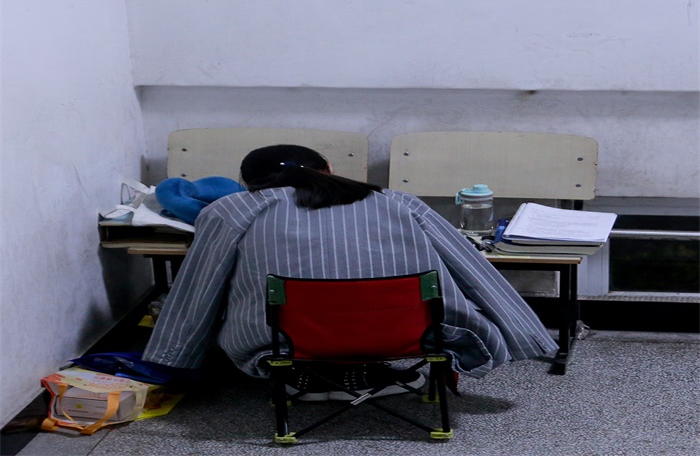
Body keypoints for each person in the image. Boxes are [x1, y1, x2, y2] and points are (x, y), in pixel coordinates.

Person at [142, 144, 558, 400]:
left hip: (284, 341)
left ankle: (306, 377)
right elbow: (473, 270)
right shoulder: (400, 202)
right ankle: (380, 371)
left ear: (247, 182)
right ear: (328, 168)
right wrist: (528, 338)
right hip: (412, 335)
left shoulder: (232, 209)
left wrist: (173, 360)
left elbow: (199, 287)